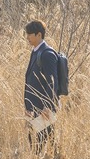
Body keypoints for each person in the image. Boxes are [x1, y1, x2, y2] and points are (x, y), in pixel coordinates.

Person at [23, 20, 62, 151]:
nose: (27, 37)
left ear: (39, 35)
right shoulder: (36, 51)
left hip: (43, 108)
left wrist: (48, 107)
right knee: (36, 141)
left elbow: (52, 82)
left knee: (41, 144)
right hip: (34, 107)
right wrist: (28, 106)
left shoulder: (47, 54)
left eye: (30, 34)